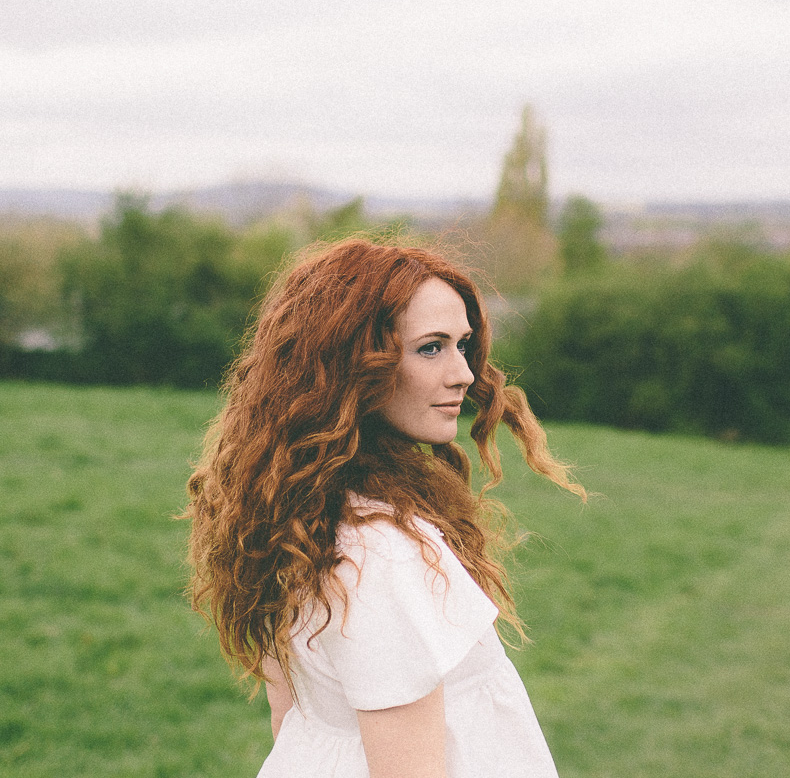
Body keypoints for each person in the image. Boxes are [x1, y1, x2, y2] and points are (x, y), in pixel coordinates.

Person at [185, 239, 585, 778]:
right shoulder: (381, 551)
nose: (464, 374)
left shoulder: (294, 514)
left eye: (462, 345)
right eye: (430, 348)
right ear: (351, 365)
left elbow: (292, 724)